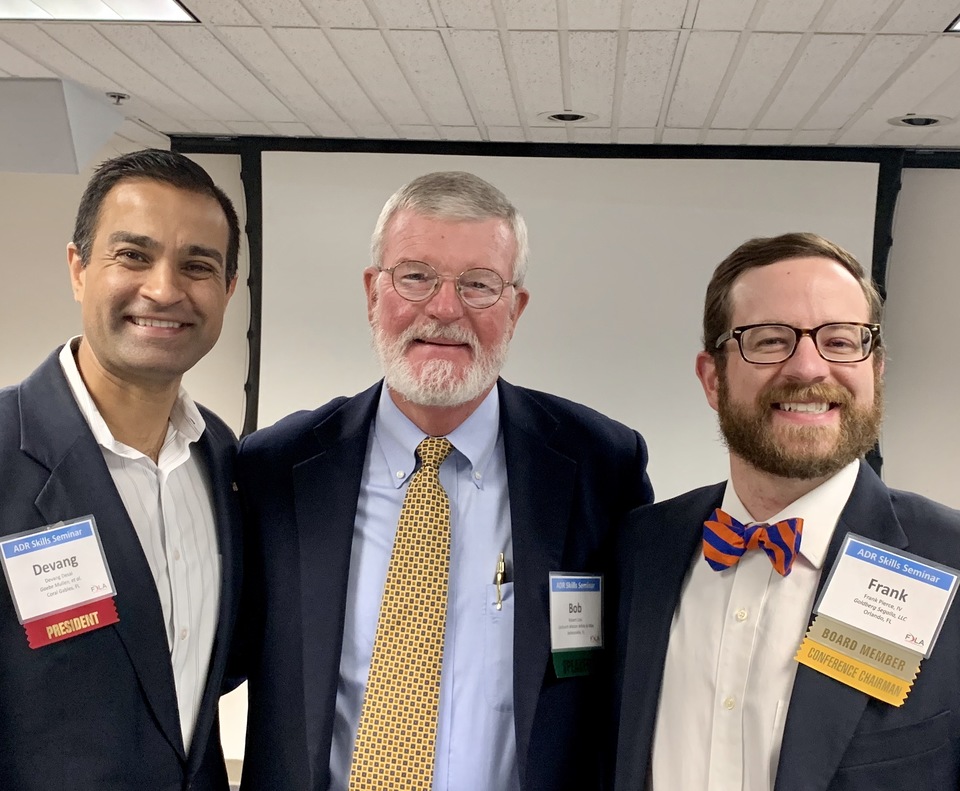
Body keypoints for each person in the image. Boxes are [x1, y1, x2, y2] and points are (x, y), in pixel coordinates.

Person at [236, 170, 654, 791]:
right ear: (373, 291)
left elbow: (633, 678)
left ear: (516, 308)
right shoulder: (276, 468)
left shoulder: (601, 464)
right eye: (415, 276)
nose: (444, 307)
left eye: (480, 284)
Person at [613, 232, 960, 791]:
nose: (808, 368)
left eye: (842, 341)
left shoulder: (950, 560)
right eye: (771, 341)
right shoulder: (639, 548)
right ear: (712, 379)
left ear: (875, 369)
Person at [0, 149, 243, 790]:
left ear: (228, 291)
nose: (165, 289)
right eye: (133, 256)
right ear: (78, 268)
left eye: (198, 265)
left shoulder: (223, 458)